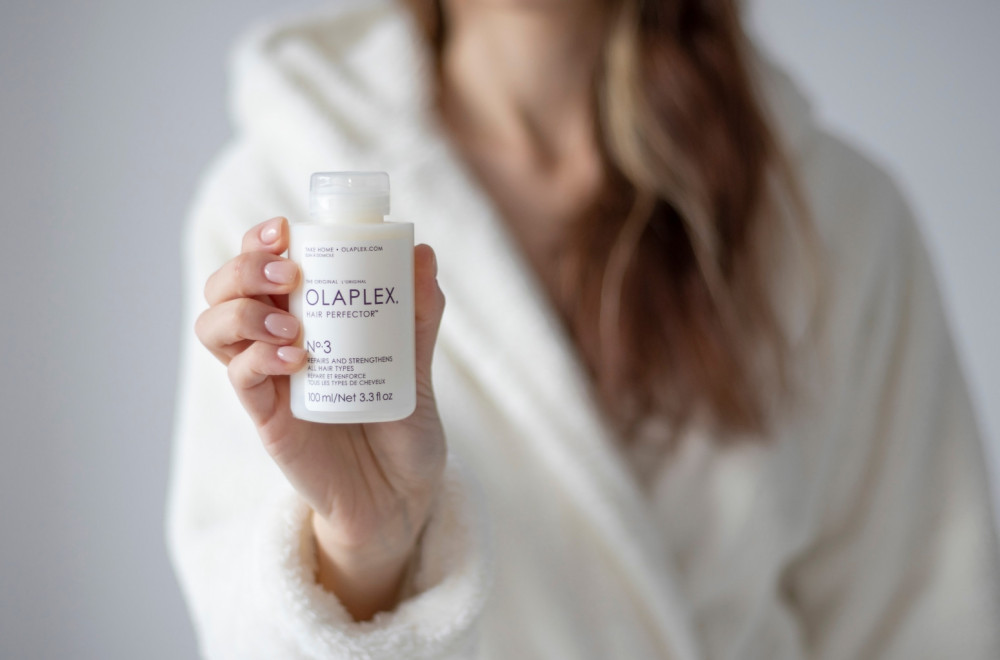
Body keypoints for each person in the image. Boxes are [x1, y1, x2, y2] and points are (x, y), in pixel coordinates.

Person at [166, 0, 1000, 657]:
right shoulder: (273, 210)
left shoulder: (834, 217)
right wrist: (366, 545)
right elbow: (241, 639)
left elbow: (925, 619)